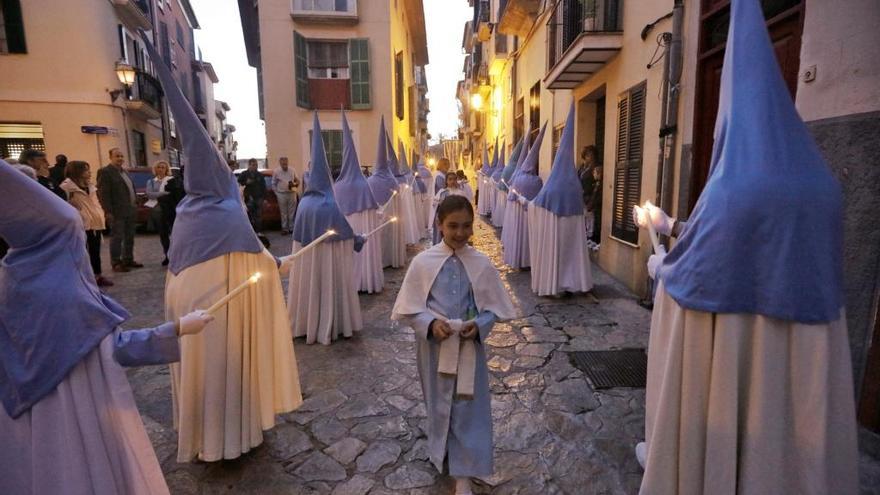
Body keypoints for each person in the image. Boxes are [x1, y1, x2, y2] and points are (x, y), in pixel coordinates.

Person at [635, 1, 857, 492]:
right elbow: (725, 239)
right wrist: (673, 226)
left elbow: (696, 273)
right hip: (805, 350)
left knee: (735, 435)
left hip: (734, 340)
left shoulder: (733, 188)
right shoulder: (820, 183)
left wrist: (658, 264)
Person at [0, 158, 214, 495]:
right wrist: (177, 329)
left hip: (22, 416)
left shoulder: (12, 274)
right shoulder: (65, 293)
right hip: (74, 414)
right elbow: (115, 349)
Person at [141, 34, 302, 463]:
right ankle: (231, 439)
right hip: (221, 312)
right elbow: (258, 262)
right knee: (226, 370)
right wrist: (277, 265)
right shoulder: (228, 214)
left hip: (187, 307)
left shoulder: (190, 211)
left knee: (199, 371)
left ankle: (202, 439)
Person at [392, 195, 517, 495]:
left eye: (466, 226)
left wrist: (481, 326)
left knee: (467, 404)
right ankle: (443, 450)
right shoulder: (423, 262)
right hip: (435, 348)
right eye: (452, 226)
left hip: (467, 346)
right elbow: (409, 309)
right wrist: (430, 324)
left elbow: (493, 309)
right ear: (439, 225)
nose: (460, 233)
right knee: (439, 401)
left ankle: (464, 470)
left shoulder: (481, 263)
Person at [286, 113, 366, 344]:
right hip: (331, 260)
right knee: (330, 285)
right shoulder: (330, 204)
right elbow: (346, 234)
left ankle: (306, 320)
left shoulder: (304, 204)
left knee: (311, 285)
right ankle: (334, 321)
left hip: (309, 261)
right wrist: (358, 239)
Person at [528, 105, 593, 296]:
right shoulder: (575, 183)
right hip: (572, 228)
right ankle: (574, 283)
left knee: (556, 255)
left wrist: (527, 203)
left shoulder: (552, 184)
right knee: (572, 254)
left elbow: (537, 205)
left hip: (555, 229)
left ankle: (555, 285)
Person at [333, 109, 384, 294]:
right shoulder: (363, 183)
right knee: (364, 252)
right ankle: (366, 280)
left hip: (347, 231)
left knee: (349, 254)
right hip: (363, 228)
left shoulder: (337, 187)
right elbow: (373, 210)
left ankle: (350, 283)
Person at [60, 160, 112, 287]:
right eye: (86, 170)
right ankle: (83, 278)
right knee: (82, 252)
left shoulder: (90, 186)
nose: (89, 172)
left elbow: (95, 202)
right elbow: (62, 204)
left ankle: (97, 275)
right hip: (81, 223)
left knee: (95, 251)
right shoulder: (66, 187)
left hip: (95, 222)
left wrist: (101, 213)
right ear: (77, 171)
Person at [503, 124, 546, 270]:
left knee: (517, 236)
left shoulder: (516, 176)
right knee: (527, 237)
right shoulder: (537, 181)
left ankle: (516, 259)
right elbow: (539, 200)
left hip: (515, 214)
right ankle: (527, 261)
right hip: (528, 214)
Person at [367, 118, 406, 268]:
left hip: (377, 219)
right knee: (389, 237)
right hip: (391, 219)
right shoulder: (394, 181)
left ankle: (379, 261)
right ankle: (391, 258)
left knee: (379, 239)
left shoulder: (370, 181)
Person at [96, 148, 143, 272]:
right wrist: (108, 211)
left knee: (130, 237)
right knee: (117, 238)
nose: (120, 158)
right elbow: (103, 194)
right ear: (110, 157)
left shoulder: (125, 172)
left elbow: (129, 189)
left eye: (122, 156)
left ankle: (128, 259)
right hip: (117, 212)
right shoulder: (105, 172)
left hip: (130, 210)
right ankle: (116, 262)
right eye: (117, 156)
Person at [145, 161, 175, 265]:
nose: (161, 169)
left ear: (166, 169)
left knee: (174, 233)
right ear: (156, 169)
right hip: (158, 210)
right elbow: (150, 194)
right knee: (163, 235)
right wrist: (162, 193)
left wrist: (157, 194)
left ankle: (175, 255)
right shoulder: (151, 182)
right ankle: (167, 255)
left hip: (170, 210)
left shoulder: (171, 180)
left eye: (163, 167)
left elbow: (173, 194)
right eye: (159, 167)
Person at [492, 137, 524, 228]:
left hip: (502, 191)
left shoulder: (507, 167)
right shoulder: (516, 168)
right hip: (508, 192)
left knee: (502, 209)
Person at [431, 171, 469, 244]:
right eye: (450, 179)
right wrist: (439, 202)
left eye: (454, 179)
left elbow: (465, 205)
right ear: (446, 181)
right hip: (445, 217)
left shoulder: (460, 192)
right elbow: (435, 204)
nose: (452, 181)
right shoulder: (442, 192)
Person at [238, 158, 266, 232]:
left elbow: (264, 187)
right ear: (249, 165)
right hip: (248, 198)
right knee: (249, 216)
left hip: (258, 198)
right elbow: (239, 182)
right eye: (253, 165)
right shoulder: (244, 174)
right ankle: (250, 232)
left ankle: (258, 232)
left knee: (258, 216)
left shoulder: (259, 175)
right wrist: (246, 182)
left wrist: (264, 198)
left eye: (256, 165)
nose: (255, 167)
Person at [272, 156, 299, 235]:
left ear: (288, 162)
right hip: (281, 194)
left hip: (292, 193)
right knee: (283, 212)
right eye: (283, 164)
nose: (285, 165)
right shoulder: (276, 171)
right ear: (280, 163)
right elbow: (273, 183)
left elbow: (296, 179)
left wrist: (297, 183)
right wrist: (276, 193)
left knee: (292, 211)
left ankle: (291, 228)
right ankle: (285, 228)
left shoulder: (292, 170)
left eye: (286, 163)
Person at [578, 145, 598, 241]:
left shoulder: (595, 168)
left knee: (590, 221)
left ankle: (590, 239)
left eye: (591, 155)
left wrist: (592, 199)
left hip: (590, 198)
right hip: (581, 197)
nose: (589, 157)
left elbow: (597, 184)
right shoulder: (582, 168)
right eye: (587, 155)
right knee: (583, 219)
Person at [587, 163, 603, 249]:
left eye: (595, 173)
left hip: (597, 208)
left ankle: (596, 241)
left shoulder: (599, 185)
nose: (593, 174)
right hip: (595, 208)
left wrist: (590, 205)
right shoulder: (596, 184)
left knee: (596, 224)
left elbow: (596, 197)